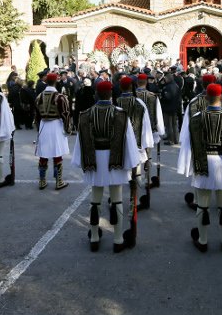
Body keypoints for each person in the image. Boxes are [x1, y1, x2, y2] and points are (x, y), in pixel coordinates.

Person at [177, 83, 222, 252]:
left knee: (202, 205)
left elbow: (188, 146)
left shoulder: (195, 119)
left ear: (206, 98)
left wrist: (187, 166)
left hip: (201, 164)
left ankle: (203, 240)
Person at [72, 80, 140, 253]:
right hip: (114, 160)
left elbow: (81, 141)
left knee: (95, 199)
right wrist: (133, 163)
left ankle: (94, 238)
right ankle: (118, 240)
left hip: (94, 160)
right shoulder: (120, 114)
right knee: (117, 199)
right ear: (111, 94)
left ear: (96, 94)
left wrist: (81, 161)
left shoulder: (86, 114)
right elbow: (129, 141)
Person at [115, 76, 154, 205]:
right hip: (136, 144)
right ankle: (134, 201)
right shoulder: (139, 103)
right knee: (136, 172)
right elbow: (146, 126)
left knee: (120, 173)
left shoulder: (116, 102)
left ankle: (117, 199)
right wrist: (147, 145)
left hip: (120, 144)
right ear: (132, 87)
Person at [34, 73, 70, 190]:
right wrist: (67, 128)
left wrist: (38, 128)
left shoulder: (39, 96)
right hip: (56, 125)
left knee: (43, 154)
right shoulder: (60, 97)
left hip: (43, 126)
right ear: (55, 82)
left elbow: (37, 115)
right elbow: (65, 114)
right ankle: (59, 181)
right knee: (57, 152)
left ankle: (42, 181)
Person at [160, 73, 182, 145]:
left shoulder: (168, 87)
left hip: (168, 108)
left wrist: (162, 97)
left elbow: (167, 97)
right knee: (174, 124)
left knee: (169, 124)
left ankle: (171, 140)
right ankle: (176, 139)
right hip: (175, 107)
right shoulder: (176, 85)